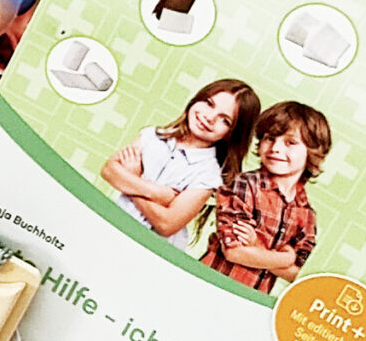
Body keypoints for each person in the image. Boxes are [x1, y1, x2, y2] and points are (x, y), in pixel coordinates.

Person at [99, 77, 257, 242]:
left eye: (225, 120)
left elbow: (166, 224)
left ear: (231, 133)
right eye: (209, 103)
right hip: (112, 229)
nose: (210, 117)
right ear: (197, 99)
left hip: (150, 248)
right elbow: (109, 171)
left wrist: (133, 178)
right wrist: (157, 193)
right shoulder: (153, 136)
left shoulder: (208, 176)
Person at [202, 99, 330, 288]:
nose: (275, 148)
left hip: (249, 299)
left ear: (312, 152)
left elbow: (296, 273)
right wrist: (286, 257)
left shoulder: (306, 213)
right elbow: (235, 252)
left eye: (290, 142)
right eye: (269, 138)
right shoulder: (243, 185)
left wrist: (257, 246)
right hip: (209, 283)